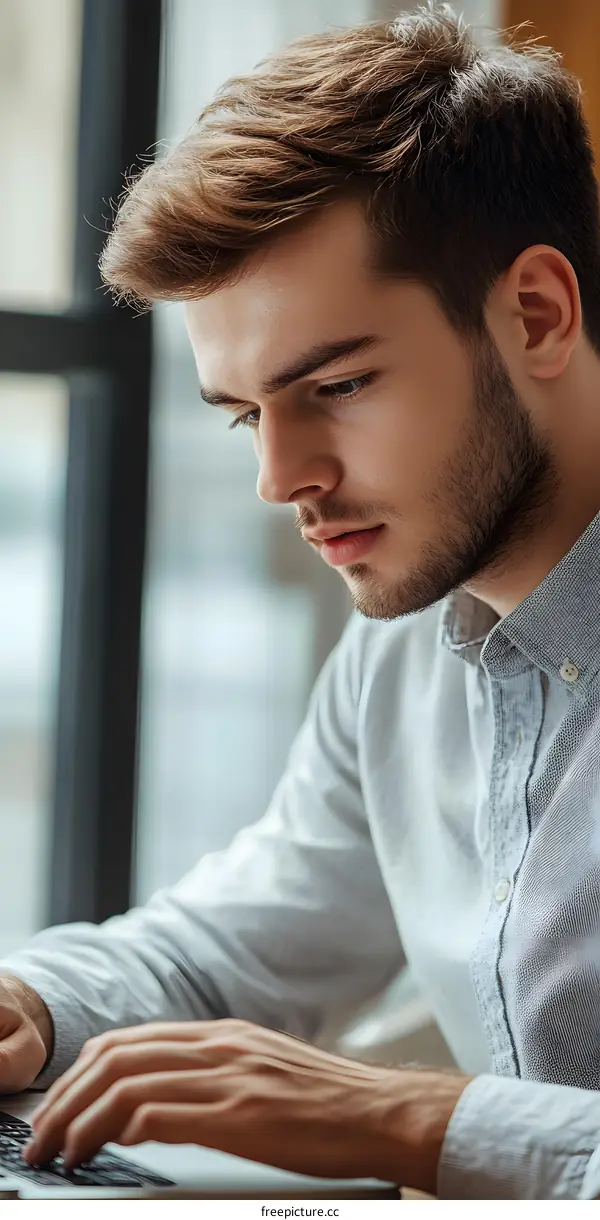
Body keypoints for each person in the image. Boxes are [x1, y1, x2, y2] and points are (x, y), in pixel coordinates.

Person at [2, 1, 600, 1199]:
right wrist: (30, 999)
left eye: (336, 383)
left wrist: (421, 1121)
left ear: (535, 312)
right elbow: (240, 943)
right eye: (243, 414)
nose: (284, 479)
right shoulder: (408, 645)